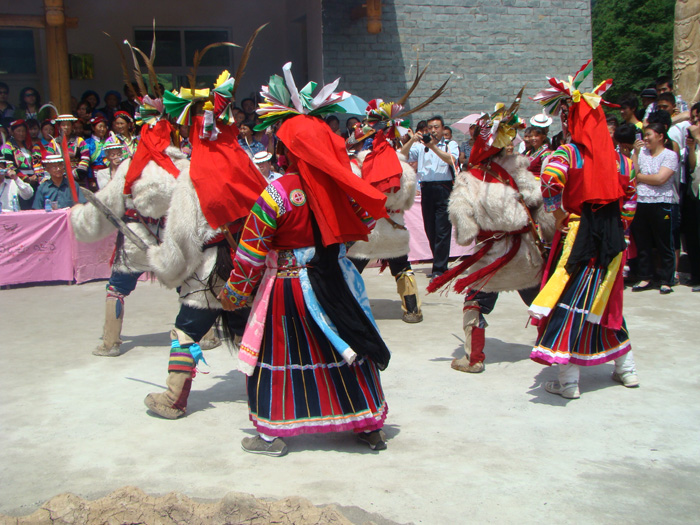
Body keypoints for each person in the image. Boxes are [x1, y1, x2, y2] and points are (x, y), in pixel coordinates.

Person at [218, 63, 391, 456]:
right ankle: (368, 426)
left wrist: (236, 292)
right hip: (334, 282)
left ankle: (271, 435)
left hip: (287, 289)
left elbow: (251, 252)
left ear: (286, 150)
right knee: (346, 343)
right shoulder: (342, 188)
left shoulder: (277, 193)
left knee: (278, 354)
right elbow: (362, 220)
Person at [529, 60, 639, 399]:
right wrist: (622, 227)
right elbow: (631, 198)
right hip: (613, 237)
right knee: (606, 299)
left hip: (578, 235)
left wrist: (558, 213)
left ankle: (569, 382)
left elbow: (550, 180)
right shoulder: (622, 160)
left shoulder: (568, 153)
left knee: (569, 301)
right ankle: (627, 369)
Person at [428, 95, 555, 374]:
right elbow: (540, 206)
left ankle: (474, 359)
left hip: (491, 257)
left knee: (474, 302)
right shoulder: (519, 169)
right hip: (525, 254)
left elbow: (464, 232)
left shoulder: (468, 178)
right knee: (540, 300)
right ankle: (553, 348)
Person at [346, 98, 426, 324]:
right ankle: (412, 310)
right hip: (395, 227)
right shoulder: (404, 168)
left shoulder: (356, 164)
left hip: (367, 230)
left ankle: (348, 310)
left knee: (352, 270)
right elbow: (408, 203)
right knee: (402, 269)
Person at [401, 115, 459, 278]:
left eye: (436, 127)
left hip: (444, 188)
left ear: (442, 129)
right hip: (427, 189)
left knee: (442, 230)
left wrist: (432, 146)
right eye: (430, 128)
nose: (433, 130)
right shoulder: (420, 146)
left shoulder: (450, 145)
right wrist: (412, 141)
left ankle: (439, 269)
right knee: (430, 229)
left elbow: (451, 160)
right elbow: (402, 155)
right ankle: (440, 264)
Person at [630, 122, 679, 294]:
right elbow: (633, 174)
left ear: (660, 136)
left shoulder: (670, 155)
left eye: (649, 134)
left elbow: (660, 179)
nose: (645, 138)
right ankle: (645, 276)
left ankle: (666, 279)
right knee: (643, 241)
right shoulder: (640, 153)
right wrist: (635, 154)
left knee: (664, 242)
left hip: (662, 202)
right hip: (642, 202)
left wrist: (640, 177)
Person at [1, 120, 39, 209]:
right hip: (19, 182)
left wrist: (36, 175)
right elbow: (9, 165)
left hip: (33, 180)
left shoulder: (27, 146)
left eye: (23, 131)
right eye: (18, 131)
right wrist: (25, 178)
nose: (21, 133)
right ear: (12, 132)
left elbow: (35, 162)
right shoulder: (7, 147)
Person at [684, 103, 700, 291]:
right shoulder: (695, 140)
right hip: (695, 191)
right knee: (694, 237)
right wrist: (691, 147)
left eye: (698, 119)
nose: (695, 123)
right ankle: (696, 275)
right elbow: (693, 166)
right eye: (693, 119)